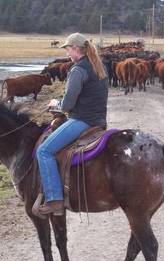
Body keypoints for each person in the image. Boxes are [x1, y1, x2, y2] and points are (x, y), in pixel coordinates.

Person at [36, 32, 109, 216]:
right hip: (99, 120)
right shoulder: (98, 66)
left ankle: (54, 200)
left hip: (82, 121)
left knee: (43, 151)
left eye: (68, 48)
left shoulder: (78, 70)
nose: (67, 52)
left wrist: (55, 104)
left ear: (76, 49)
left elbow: (68, 105)